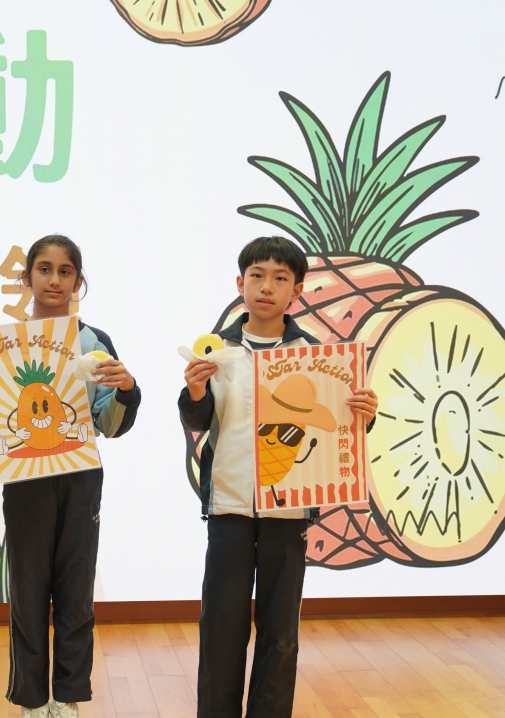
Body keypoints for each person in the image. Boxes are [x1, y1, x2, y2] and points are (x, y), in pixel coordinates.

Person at [178, 236, 378, 718]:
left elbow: (337, 430)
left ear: (298, 290)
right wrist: (195, 390)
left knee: (281, 630)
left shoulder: (318, 356)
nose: (266, 287)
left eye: (280, 278)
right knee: (221, 623)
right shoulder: (217, 349)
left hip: (290, 511)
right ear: (240, 283)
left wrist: (364, 414)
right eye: (257, 276)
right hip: (228, 505)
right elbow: (197, 421)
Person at [0, 235, 141, 718]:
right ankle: (31, 700)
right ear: (26, 278)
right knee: (27, 590)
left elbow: (109, 425)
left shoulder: (93, 342)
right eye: (44, 269)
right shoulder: (0, 344)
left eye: (65, 271)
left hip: (81, 479)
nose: (54, 280)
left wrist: (128, 389)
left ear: (79, 281)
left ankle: (68, 696)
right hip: (26, 481)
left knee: (75, 589)